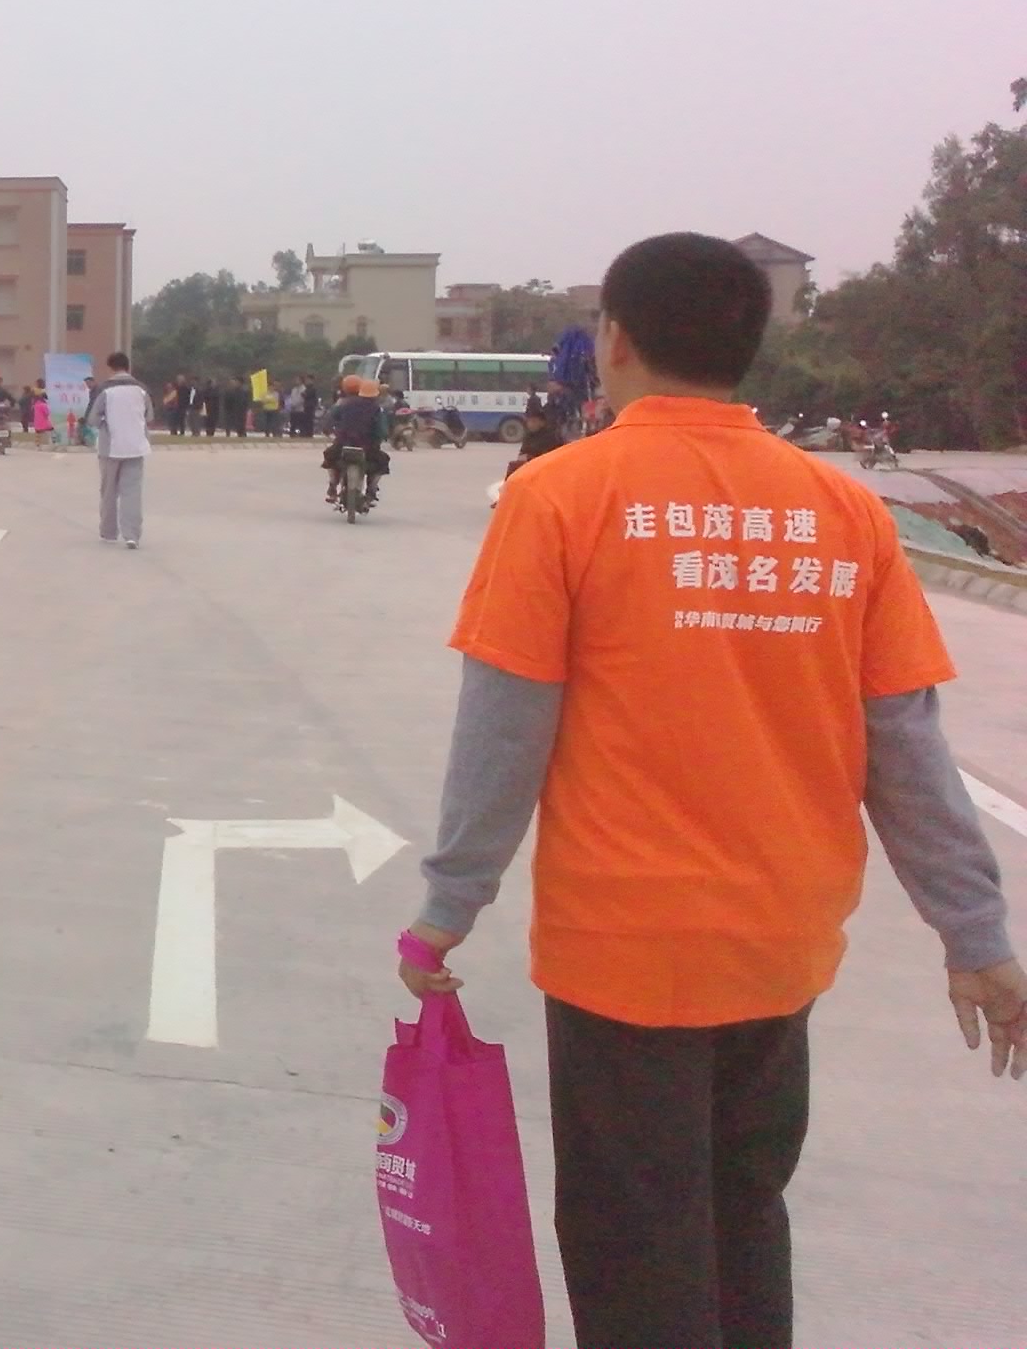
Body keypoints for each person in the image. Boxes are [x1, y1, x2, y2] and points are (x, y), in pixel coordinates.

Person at [397, 232, 1022, 1349]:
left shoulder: (560, 497)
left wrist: (449, 905)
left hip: (622, 949)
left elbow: (504, 733)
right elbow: (907, 748)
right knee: (743, 1216)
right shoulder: (843, 512)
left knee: (636, 1246)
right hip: (782, 946)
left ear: (616, 341)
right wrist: (973, 934)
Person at [83, 351, 152, 547]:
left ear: (111, 368)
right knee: (132, 492)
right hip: (136, 446)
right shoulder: (142, 389)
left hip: (110, 447)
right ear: (128, 367)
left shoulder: (104, 389)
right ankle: (132, 535)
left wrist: (105, 422)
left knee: (109, 492)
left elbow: (92, 419)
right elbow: (149, 416)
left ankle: (109, 532)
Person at [323, 374, 389, 504]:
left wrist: (329, 431)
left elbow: (330, 420)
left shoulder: (343, 404)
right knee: (382, 461)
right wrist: (383, 437)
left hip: (343, 443)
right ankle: (371, 490)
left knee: (329, 456)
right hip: (368, 447)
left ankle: (332, 486)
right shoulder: (376, 409)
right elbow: (382, 429)